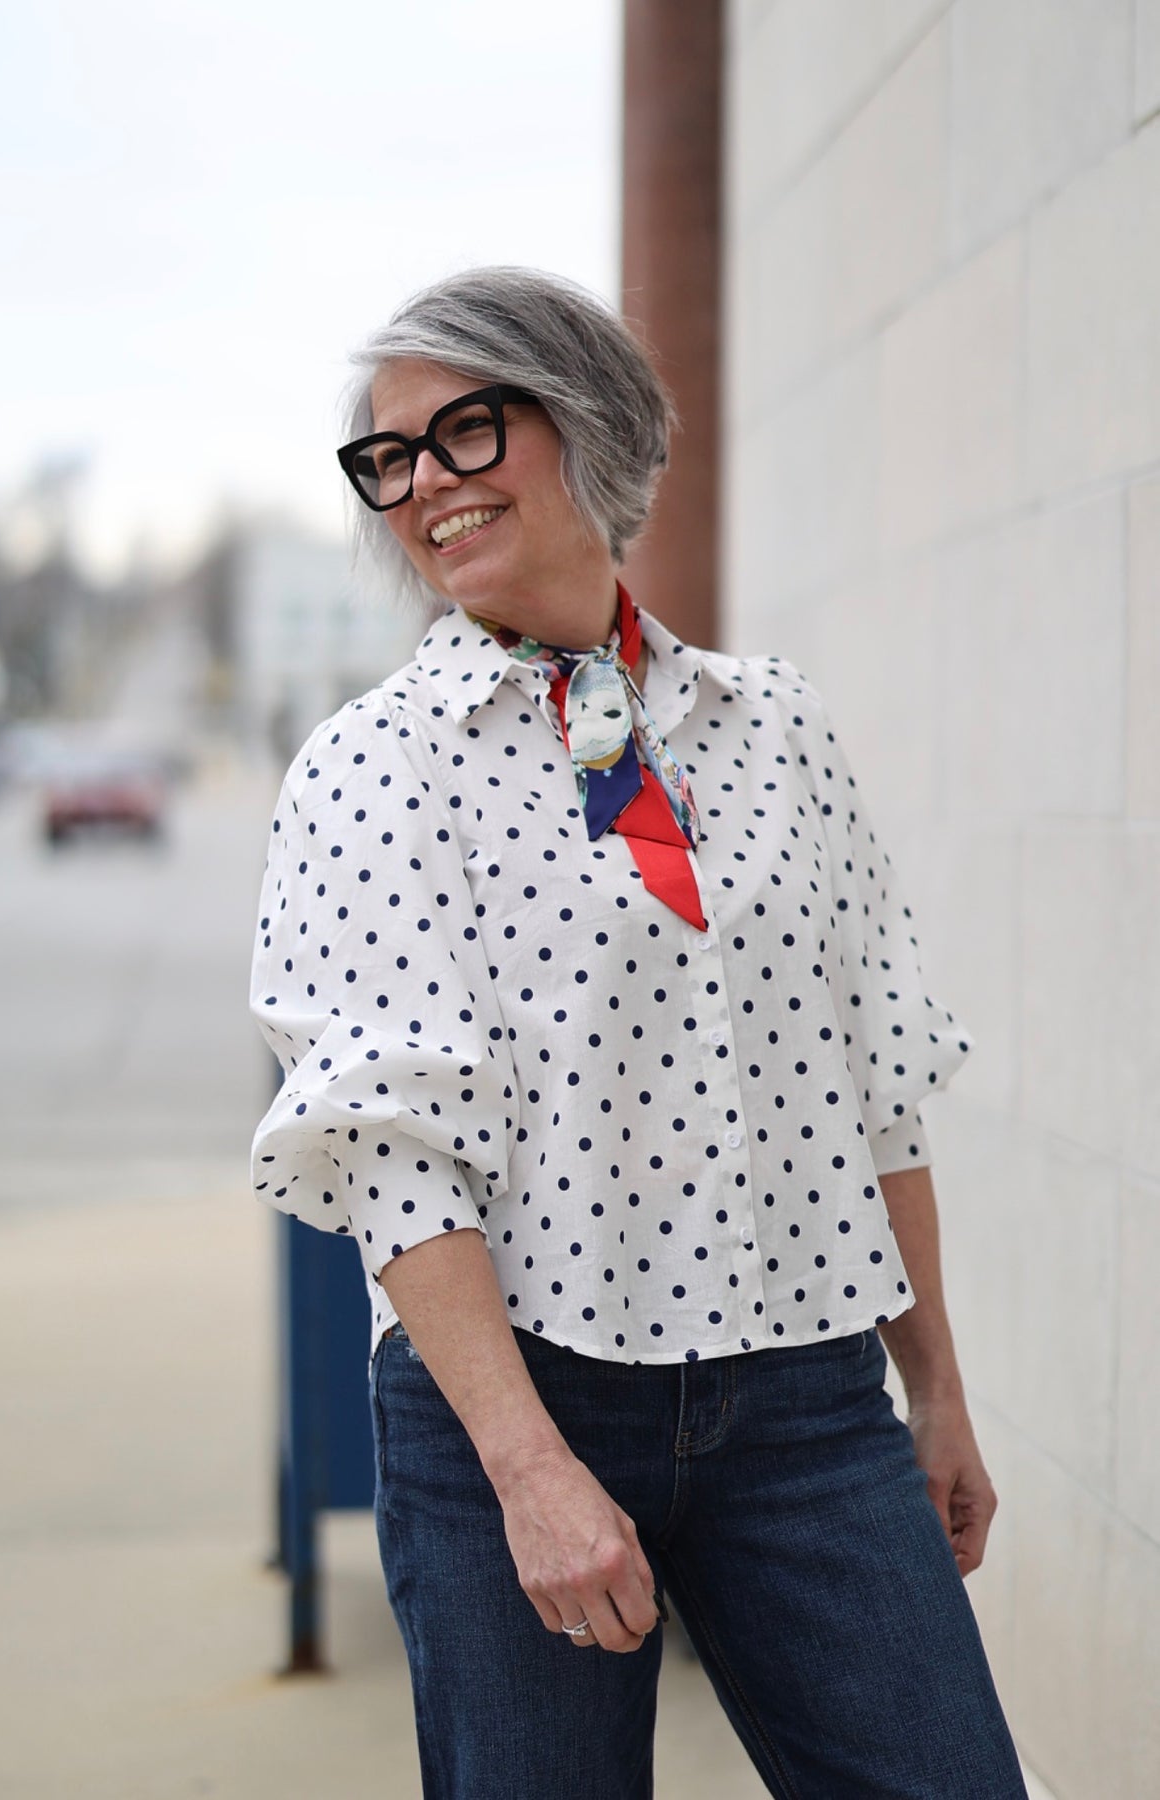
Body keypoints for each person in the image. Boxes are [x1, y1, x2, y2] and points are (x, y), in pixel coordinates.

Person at [249, 266, 1028, 1800]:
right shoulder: (370, 769)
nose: (425, 484)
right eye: (388, 458)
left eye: (466, 430)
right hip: (523, 1401)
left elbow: (871, 1080)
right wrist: (529, 1469)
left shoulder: (774, 726)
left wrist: (932, 1389)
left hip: (808, 1400)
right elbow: (397, 1160)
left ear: (586, 420)